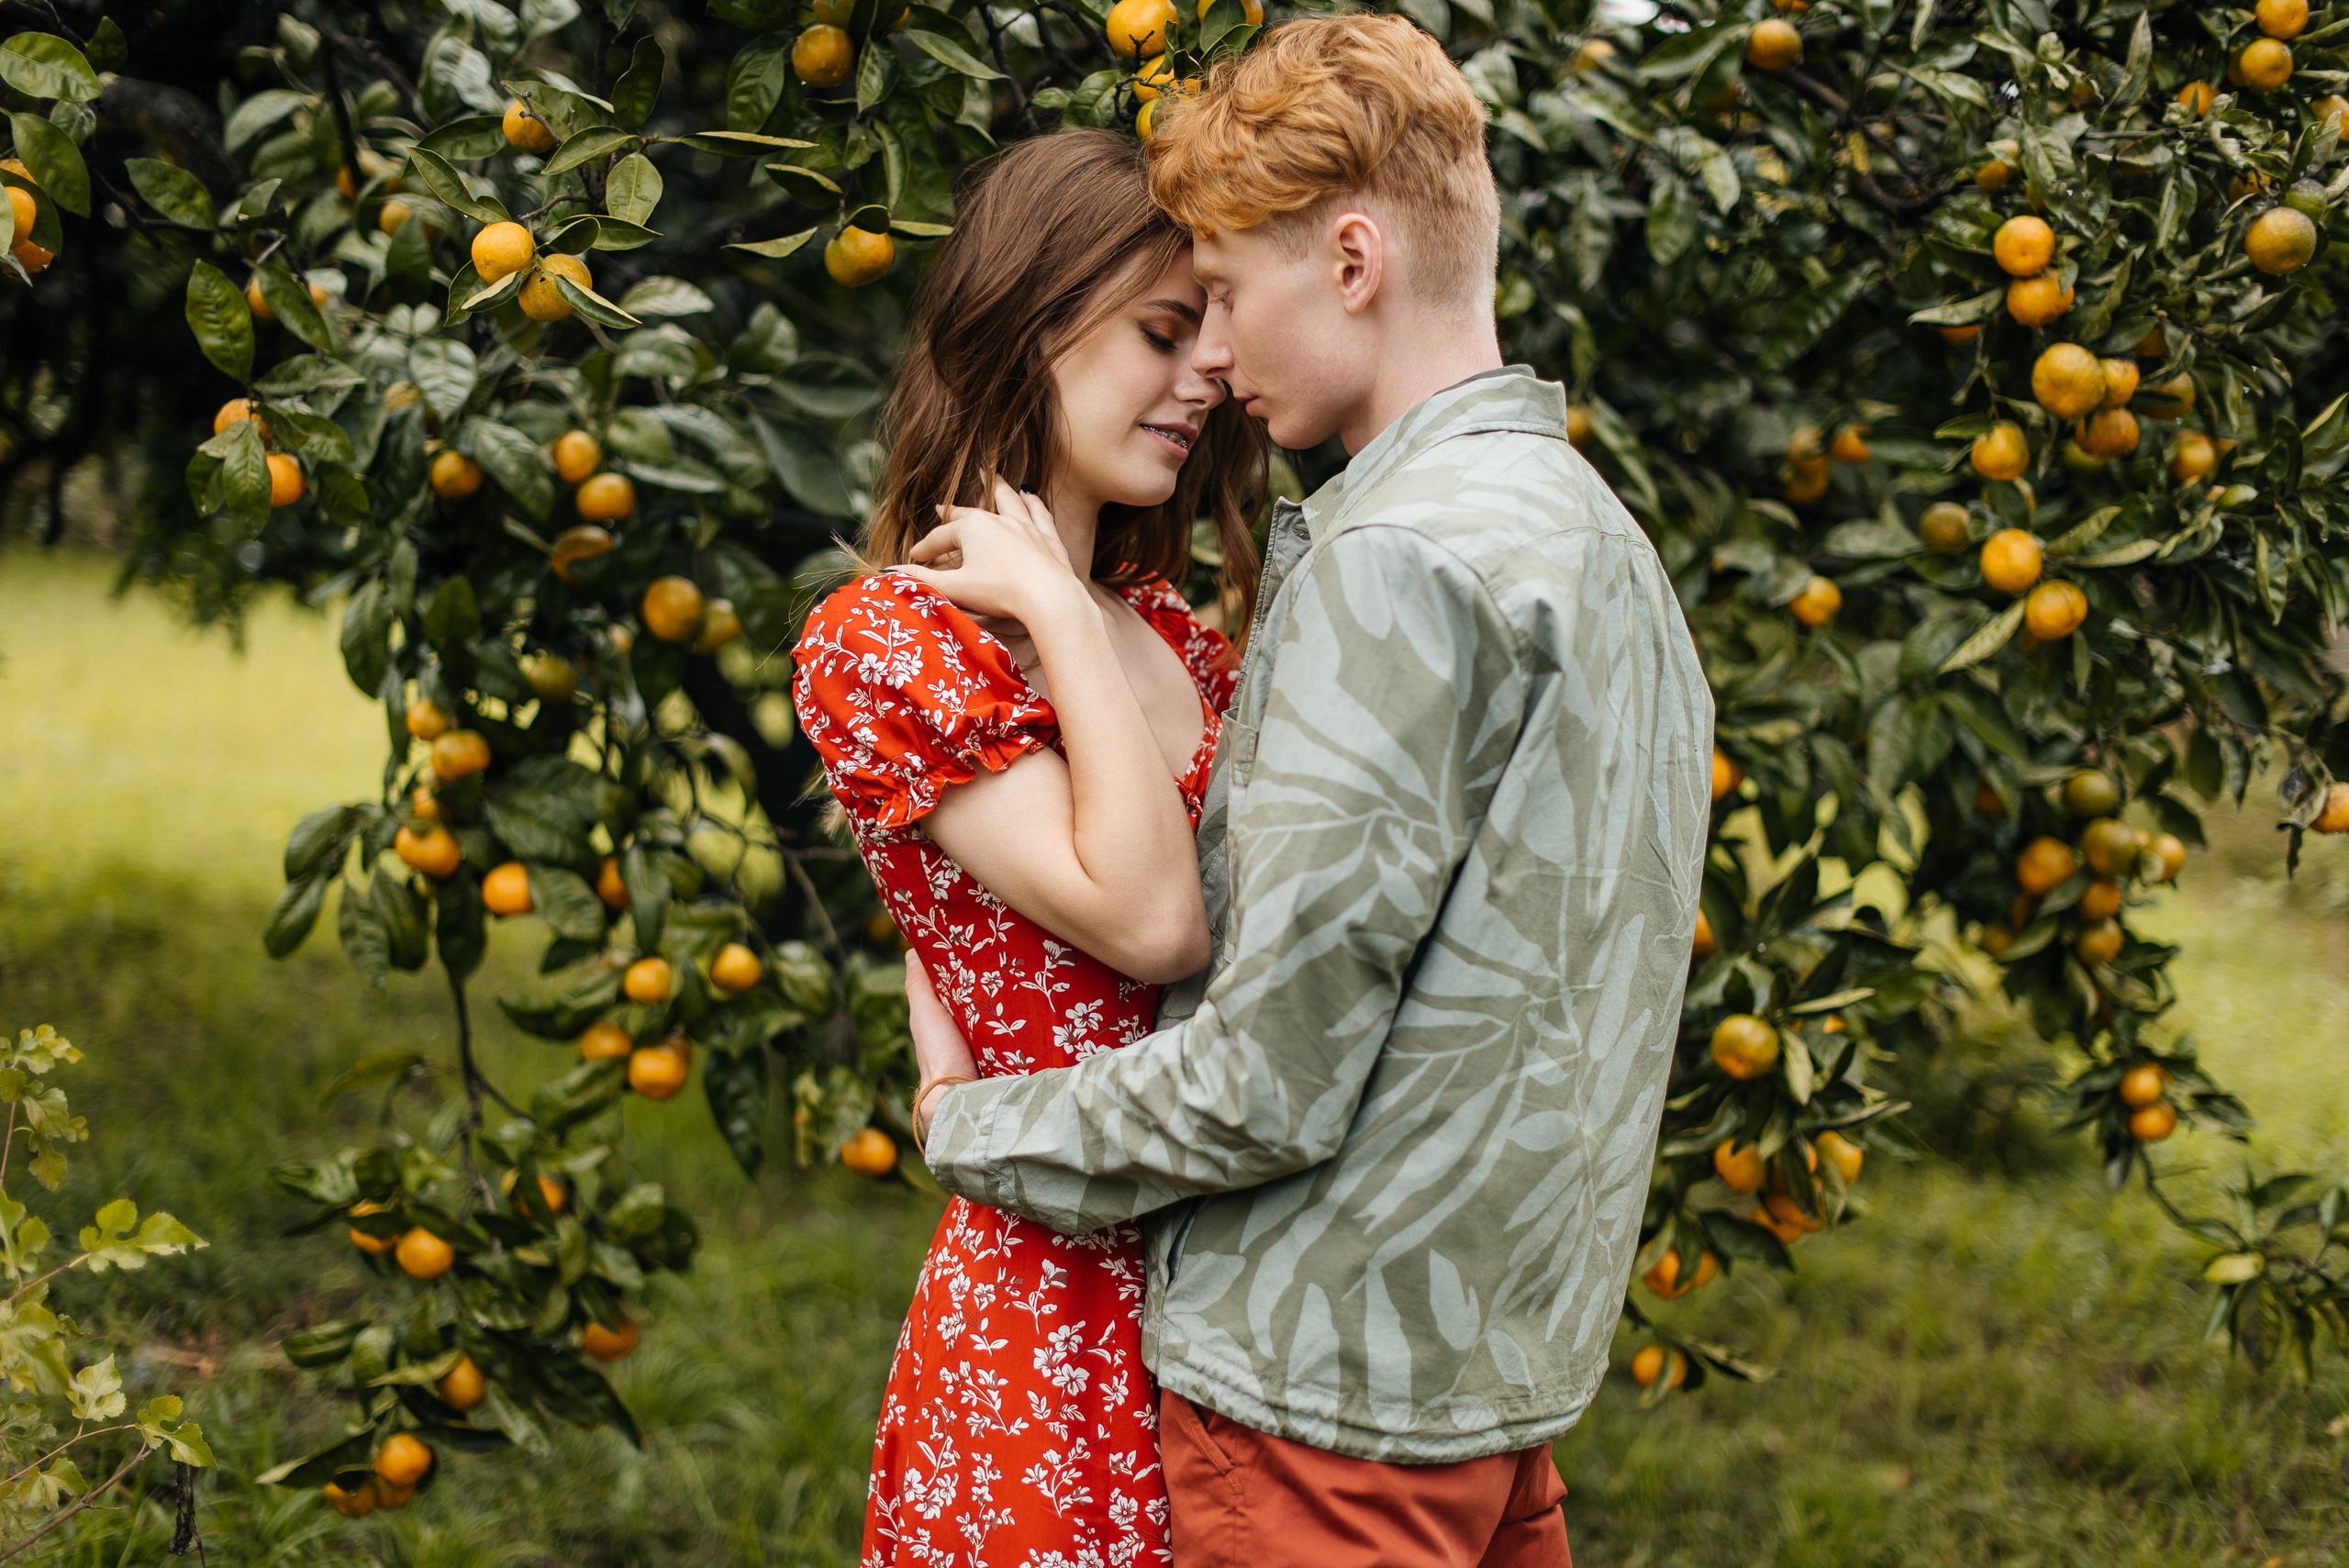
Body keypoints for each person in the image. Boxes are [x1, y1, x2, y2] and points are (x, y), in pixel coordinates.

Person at [903, 15, 1716, 1568]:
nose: (1213, 351)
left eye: (1220, 292)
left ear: (1352, 260)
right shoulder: (1597, 536)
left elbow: (1267, 1074)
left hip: (1322, 1407)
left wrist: (968, 1124)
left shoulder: (1391, 558)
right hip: (1497, 1390)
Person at [790, 128, 1267, 1568]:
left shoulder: (1179, 631)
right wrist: (1057, 612)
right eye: (1164, 332)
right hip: (1052, 1314)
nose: (1210, 375)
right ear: (1031, 320)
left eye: (1217, 337)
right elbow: (1155, 925)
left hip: (1243, 1292)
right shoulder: (887, 641)